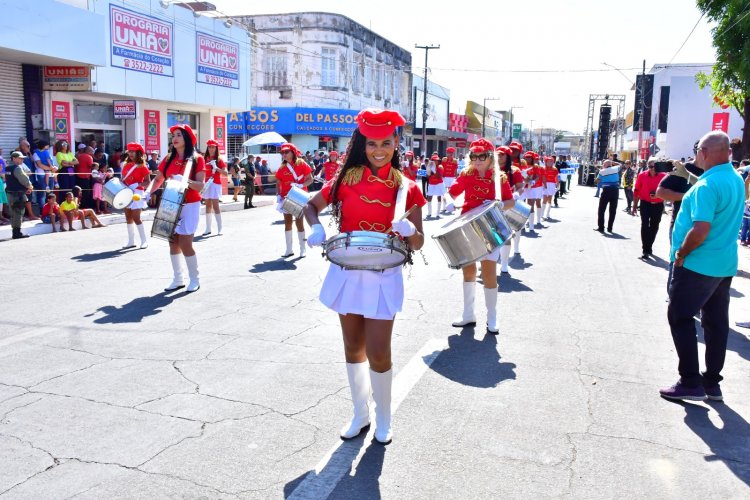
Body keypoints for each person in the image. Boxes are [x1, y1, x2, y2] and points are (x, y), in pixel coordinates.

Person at [303, 108, 426, 444]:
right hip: (348, 270)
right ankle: (361, 414)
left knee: (379, 350)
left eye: (386, 142)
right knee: (352, 345)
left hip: (384, 274)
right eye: (372, 143)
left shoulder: (407, 189)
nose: (378, 150)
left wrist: (410, 228)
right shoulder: (345, 180)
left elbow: (418, 241)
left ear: (397, 143)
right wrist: (314, 227)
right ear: (363, 144)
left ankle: (384, 416)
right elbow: (310, 205)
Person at [660, 131, 745, 402]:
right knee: (716, 323)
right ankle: (711, 383)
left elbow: (700, 230)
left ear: (704, 153)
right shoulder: (733, 178)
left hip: (698, 263)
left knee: (680, 317)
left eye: (698, 149)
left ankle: (690, 381)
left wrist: (682, 253)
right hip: (723, 264)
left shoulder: (707, 186)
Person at [445, 138, 517, 334]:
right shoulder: (466, 174)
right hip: (467, 228)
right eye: (473, 156)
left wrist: (500, 205)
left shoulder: (499, 178)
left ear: (490, 157)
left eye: (481, 156)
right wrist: (453, 203)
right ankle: (468, 314)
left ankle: (492, 316)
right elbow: (452, 193)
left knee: (488, 272)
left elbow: (510, 201)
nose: (477, 160)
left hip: (489, 228)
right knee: (468, 271)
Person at [146, 124, 207, 293]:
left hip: (190, 204)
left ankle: (194, 279)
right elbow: (158, 179)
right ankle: (178, 278)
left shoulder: (197, 159)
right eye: (173, 135)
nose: (174, 138)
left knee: (185, 243)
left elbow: (200, 186)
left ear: (186, 138)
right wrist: (147, 192)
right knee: (172, 241)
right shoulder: (168, 159)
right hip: (170, 202)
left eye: (179, 134)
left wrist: (185, 181)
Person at [275, 142, 313, 257]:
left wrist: (301, 186)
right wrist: (278, 194)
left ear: (293, 152)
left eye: (287, 152)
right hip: (286, 197)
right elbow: (278, 182)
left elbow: (310, 179)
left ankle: (302, 248)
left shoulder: (301, 163)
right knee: (287, 223)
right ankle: (289, 249)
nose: (284, 154)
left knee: (299, 222)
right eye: (282, 152)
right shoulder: (282, 167)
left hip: (298, 195)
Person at [633, 158, 667, 259]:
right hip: (645, 204)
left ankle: (649, 246)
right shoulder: (642, 175)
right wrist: (634, 206)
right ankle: (645, 249)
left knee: (654, 226)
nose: (652, 169)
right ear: (647, 166)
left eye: (654, 167)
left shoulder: (664, 176)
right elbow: (637, 191)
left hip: (658, 205)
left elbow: (667, 191)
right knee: (644, 225)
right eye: (650, 167)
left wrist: (658, 196)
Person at [121, 143, 151, 249]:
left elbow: (148, 181)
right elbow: (123, 179)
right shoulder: (126, 165)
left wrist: (138, 184)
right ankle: (131, 241)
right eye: (129, 151)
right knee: (128, 217)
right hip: (126, 192)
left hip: (137, 193)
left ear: (138, 153)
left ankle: (144, 240)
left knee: (136, 217)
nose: (131, 154)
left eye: (133, 151)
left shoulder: (143, 166)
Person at [202, 139, 227, 236]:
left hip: (215, 183)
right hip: (206, 184)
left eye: (213, 147)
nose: (211, 149)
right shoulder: (204, 159)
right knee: (207, 206)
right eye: (209, 147)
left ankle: (220, 228)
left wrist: (216, 168)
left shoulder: (219, 160)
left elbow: (225, 173)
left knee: (216, 206)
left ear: (216, 148)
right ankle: (208, 228)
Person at [5, 151, 34, 239]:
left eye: (22, 158)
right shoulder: (17, 168)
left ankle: (15, 232)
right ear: (14, 158)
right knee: (18, 212)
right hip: (18, 195)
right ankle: (17, 233)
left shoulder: (8, 168)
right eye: (20, 158)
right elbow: (24, 180)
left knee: (13, 213)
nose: (22, 159)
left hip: (10, 194)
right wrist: (30, 187)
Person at [594, 159, 621, 233]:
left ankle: (601, 227)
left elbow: (596, 181)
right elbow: (621, 165)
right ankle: (610, 228)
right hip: (615, 191)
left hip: (606, 191)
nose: (602, 165)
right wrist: (613, 162)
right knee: (612, 211)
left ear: (605, 165)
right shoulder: (616, 169)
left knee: (601, 210)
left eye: (603, 164)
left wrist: (600, 177)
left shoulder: (602, 171)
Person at [425, 153, 445, 218]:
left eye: (436, 160)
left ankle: (438, 213)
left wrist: (434, 171)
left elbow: (439, 176)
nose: (435, 161)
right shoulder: (429, 166)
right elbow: (427, 177)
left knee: (439, 197)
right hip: (431, 184)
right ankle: (429, 212)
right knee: (429, 198)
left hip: (439, 184)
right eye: (434, 160)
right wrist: (428, 172)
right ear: (432, 161)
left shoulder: (440, 167)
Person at [441, 147, 459, 213]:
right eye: (449, 153)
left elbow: (455, 170)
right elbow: (442, 168)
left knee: (451, 192)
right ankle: (444, 207)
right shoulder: (444, 159)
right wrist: (441, 177)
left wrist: (457, 178)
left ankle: (451, 206)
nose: (450, 154)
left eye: (451, 153)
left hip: (451, 178)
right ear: (447, 153)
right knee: (444, 192)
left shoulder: (455, 161)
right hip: (445, 177)